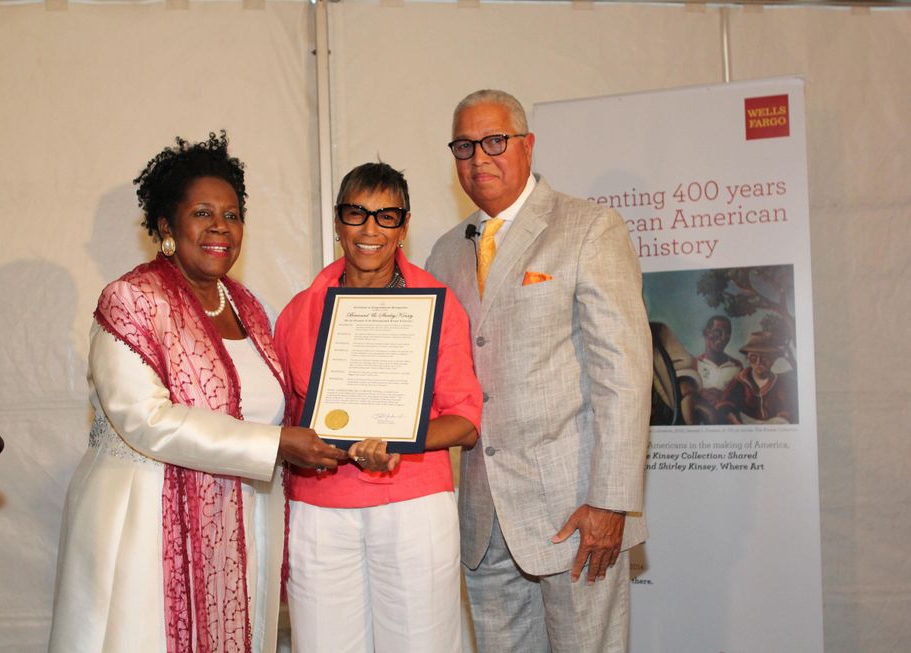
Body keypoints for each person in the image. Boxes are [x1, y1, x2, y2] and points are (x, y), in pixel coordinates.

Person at [49, 132, 345, 653]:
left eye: (232, 215)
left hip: (236, 527)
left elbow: (271, 407)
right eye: (203, 213)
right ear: (167, 225)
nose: (220, 229)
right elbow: (146, 420)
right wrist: (276, 445)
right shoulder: (132, 300)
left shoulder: (247, 306)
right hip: (145, 527)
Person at [426, 90, 653, 653]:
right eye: (464, 146)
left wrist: (611, 501)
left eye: (494, 141)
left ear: (527, 145)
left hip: (576, 510)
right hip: (482, 515)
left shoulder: (588, 229)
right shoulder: (444, 253)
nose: (479, 158)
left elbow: (624, 376)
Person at [274, 162, 482, 653]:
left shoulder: (436, 303)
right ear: (337, 221)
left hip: (412, 505)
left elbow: (466, 421)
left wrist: (397, 439)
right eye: (357, 214)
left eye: (386, 216)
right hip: (321, 509)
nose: (370, 230)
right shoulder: (298, 312)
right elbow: (282, 419)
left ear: (404, 225)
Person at [716, 330, 797, 424]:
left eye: (765, 358)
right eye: (753, 358)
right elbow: (725, 404)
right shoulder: (739, 381)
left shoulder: (780, 382)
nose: (759, 362)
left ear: (773, 360)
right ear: (748, 360)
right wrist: (736, 422)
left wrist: (782, 418)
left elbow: (789, 407)